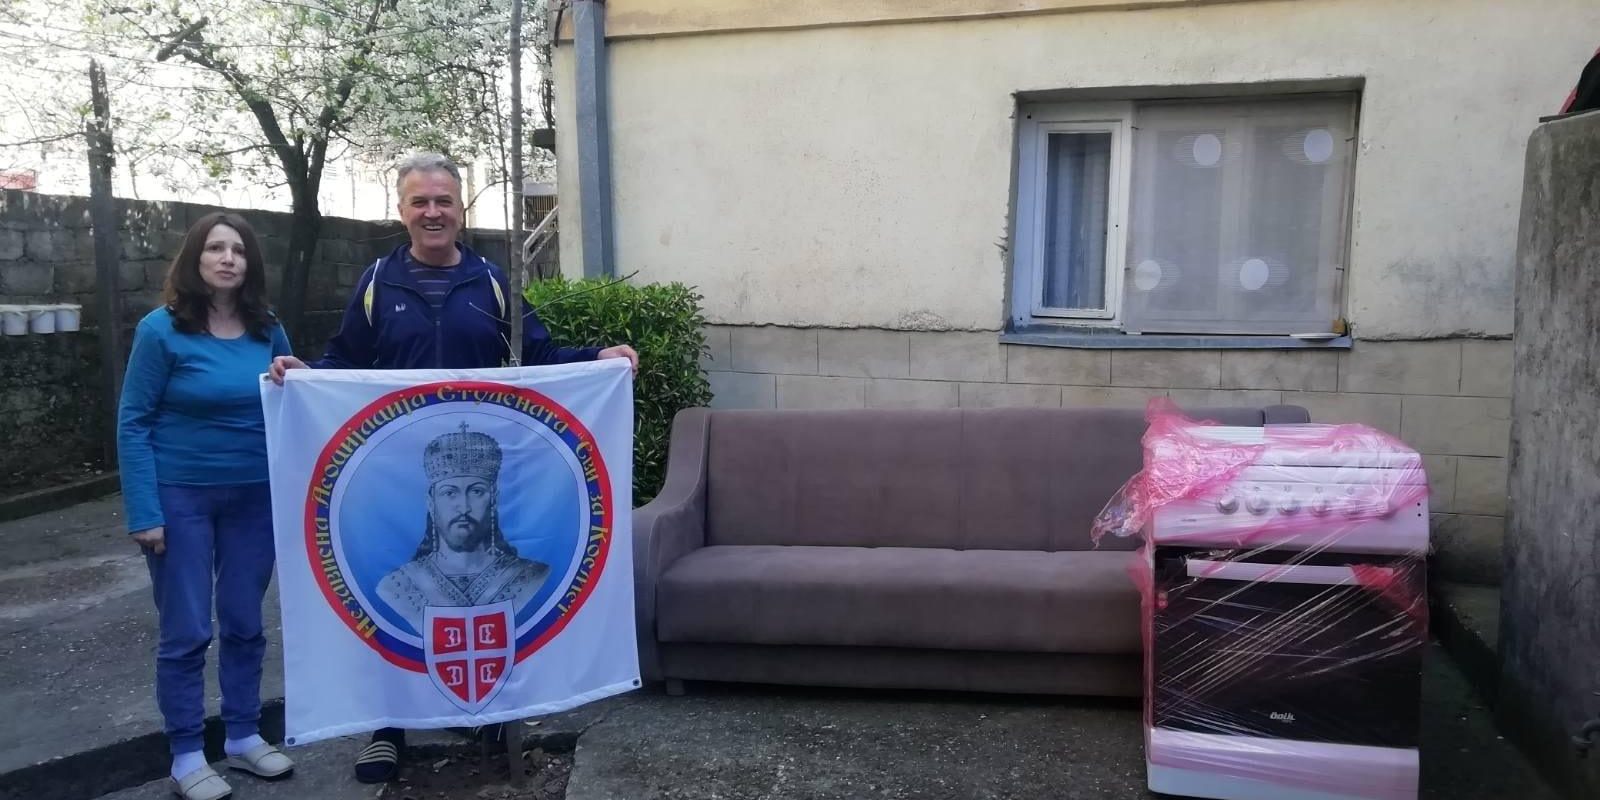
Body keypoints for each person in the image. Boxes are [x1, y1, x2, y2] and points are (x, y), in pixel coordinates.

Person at [268, 152, 637, 784]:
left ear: (461, 209)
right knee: (386, 598)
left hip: (480, 467)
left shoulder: (491, 281)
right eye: (420, 201)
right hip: (399, 476)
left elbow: (538, 353)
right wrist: (305, 379)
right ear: (402, 211)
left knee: (487, 590)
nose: (432, 212)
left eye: (443, 201)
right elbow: (346, 360)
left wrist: (597, 359)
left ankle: (490, 714)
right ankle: (387, 727)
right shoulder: (378, 282)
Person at [119, 212, 297, 800]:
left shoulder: (267, 328)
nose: (228, 259)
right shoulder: (161, 330)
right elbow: (133, 421)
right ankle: (187, 754)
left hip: (255, 498)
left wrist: (298, 376)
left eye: (238, 251)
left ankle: (243, 736)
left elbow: (292, 398)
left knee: (245, 621)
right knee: (188, 628)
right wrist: (145, 511)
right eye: (216, 248)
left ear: (250, 264)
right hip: (181, 497)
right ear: (194, 258)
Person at [377, 423, 550, 629]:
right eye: (450, 493)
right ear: (431, 503)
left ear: (494, 499)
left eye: (476, 492)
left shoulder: (531, 577)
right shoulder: (398, 587)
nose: (464, 507)